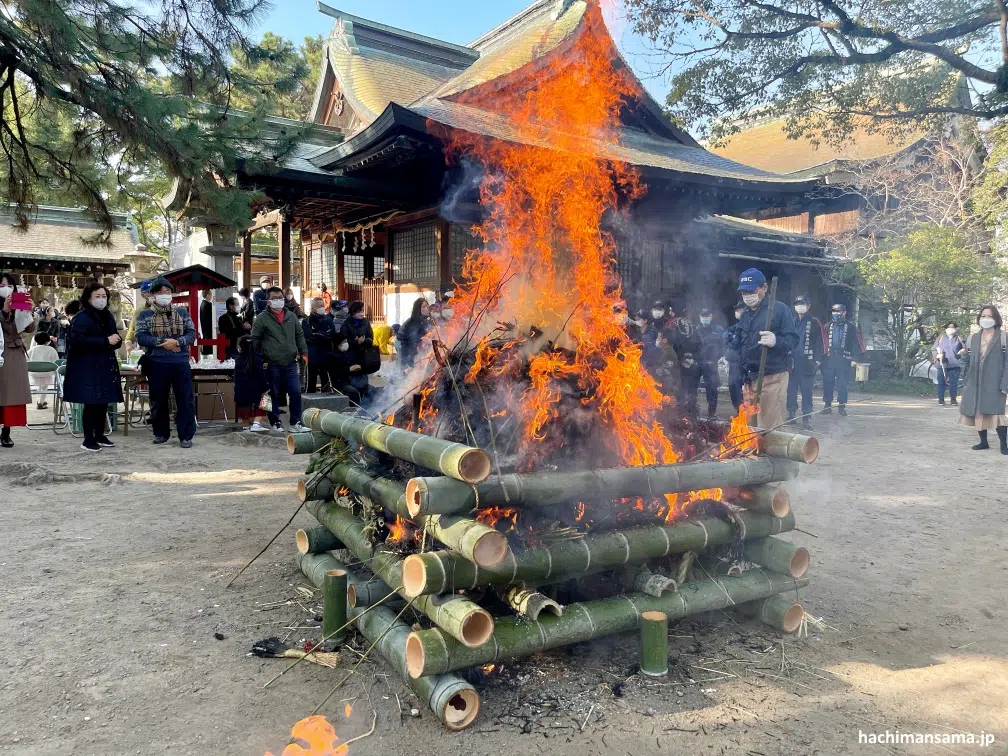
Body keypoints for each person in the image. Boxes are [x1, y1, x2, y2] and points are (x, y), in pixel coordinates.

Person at [727, 268, 798, 430]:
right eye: (744, 292)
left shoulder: (779, 310)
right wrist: (731, 355)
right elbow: (739, 342)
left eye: (751, 290)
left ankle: (771, 454)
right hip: (750, 377)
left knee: (769, 422)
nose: (747, 296)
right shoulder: (745, 314)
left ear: (764, 288)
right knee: (750, 423)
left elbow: (793, 340)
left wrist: (776, 341)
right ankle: (754, 452)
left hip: (773, 375)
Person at [135, 275, 198, 447]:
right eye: (160, 291)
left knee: (184, 399)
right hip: (156, 363)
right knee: (158, 399)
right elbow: (141, 337)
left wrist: (177, 342)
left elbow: (192, 334)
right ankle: (161, 433)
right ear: (153, 295)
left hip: (180, 362)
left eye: (167, 291)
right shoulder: (144, 315)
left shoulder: (182, 312)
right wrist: (164, 343)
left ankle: (186, 436)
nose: (164, 294)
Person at [63, 282, 124, 452]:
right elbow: (77, 341)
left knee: (103, 400)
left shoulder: (108, 316)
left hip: (105, 362)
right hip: (86, 365)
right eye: (97, 296)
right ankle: (88, 439)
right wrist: (105, 341)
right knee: (91, 401)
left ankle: (100, 435)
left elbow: (115, 336)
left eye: (104, 296)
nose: (101, 299)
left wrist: (116, 341)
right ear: (88, 299)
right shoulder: (81, 318)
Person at [252, 286, 308, 431]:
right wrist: (260, 358)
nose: (278, 301)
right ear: (268, 301)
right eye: (274, 298)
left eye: (280, 298)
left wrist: (304, 352)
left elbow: (299, 335)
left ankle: (296, 422)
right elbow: (255, 339)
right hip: (270, 363)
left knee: (295, 392)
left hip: (290, 362)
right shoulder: (262, 319)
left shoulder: (291, 316)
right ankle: (274, 421)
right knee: (272, 393)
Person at [958, 305, 1008, 453]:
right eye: (983, 316)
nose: (986, 319)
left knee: (997, 413)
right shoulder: (973, 337)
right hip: (974, 381)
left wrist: (1005, 383)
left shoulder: (1004, 337)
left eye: (990, 316)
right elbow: (966, 359)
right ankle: (983, 442)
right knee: (977, 412)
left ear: (996, 318)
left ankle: (1004, 444)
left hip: (995, 382)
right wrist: (964, 378)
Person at [0, 272, 36, 448]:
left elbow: (29, 329)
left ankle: (6, 432)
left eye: (9, 286)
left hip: (15, 351)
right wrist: (5, 311)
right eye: (1, 286)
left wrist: (30, 312)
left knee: (11, 394)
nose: (5, 289)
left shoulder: (18, 302)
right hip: (1, 349)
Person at [787, 295, 825, 429]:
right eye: (797, 304)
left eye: (802, 304)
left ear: (809, 306)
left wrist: (817, 360)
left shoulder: (814, 322)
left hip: (808, 363)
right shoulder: (791, 321)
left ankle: (806, 417)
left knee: (806, 390)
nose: (800, 306)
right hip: (792, 362)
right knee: (791, 389)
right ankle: (791, 414)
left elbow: (821, 342)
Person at [822, 303, 864, 417]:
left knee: (842, 384)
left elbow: (858, 343)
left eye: (838, 311)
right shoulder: (826, 326)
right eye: (834, 311)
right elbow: (821, 343)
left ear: (844, 313)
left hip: (844, 359)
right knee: (827, 382)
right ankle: (827, 405)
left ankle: (841, 406)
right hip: (829, 359)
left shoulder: (851, 327)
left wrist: (854, 358)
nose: (836, 314)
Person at [339, 301, 376, 407]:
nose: (362, 313)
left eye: (363, 311)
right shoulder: (346, 324)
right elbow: (343, 340)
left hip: (363, 355)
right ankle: (354, 405)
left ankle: (366, 406)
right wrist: (355, 341)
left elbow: (370, 337)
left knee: (364, 380)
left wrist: (364, 341)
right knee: (352, 379)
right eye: (360, 311)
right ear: (353, 312)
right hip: (350, 356)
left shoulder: (366, 322)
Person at [233, 335, 269, 432]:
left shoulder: (238, 359)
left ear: (240, 346)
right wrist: (266, 387)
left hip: (240, 392)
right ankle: (256, 424)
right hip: (254, 391)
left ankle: (245, 426)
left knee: (243, 405)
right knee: (267, 398)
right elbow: (261, 376)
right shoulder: (257, 358)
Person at [695, 307, 725, 418]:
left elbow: (723, 346)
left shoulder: (718, 330)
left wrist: (719, 358)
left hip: (711, 363)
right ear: (699, 317)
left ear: (711, 317)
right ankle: (692, 410)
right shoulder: (695, 330)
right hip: (697, 363)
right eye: (703, 316)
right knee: (692, 387)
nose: (705, 318)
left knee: (712, 388)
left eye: (707, 316)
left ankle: (712, 413)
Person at [303, 296, 336, 393]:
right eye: (320, 306)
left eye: (323, 305)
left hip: (326, 356)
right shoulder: (307, 321)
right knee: (310, 385)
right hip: (312, 357)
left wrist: (317, 333)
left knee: (327, 384)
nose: (322, 307)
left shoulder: (328, 320)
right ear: (313, 308)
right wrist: (323, 334)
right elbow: (309, 337)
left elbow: (331, 335)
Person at [933, 322, 965, 406]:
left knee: (953, 383)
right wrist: (937, 355)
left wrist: (962, 351)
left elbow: (965, 348)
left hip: (955, 364)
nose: (951, 329)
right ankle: (941, 399)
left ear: (955, 328)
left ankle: (953, 399)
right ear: (945, 329)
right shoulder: (941, 338)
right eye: (949, 327)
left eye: (953, 327)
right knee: (941, 382)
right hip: (942, 364)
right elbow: (934, 348)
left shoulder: (959, 338)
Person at [723, 301, 745, 413]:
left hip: (746, 363)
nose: (737, 312)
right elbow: (726, 338)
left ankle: (747, 413)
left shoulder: (750, 327)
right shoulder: (734, 327)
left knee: (746, 390)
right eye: (736, 310)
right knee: (733, 387)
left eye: (740, 309)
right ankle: (738, 411)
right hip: (734, 364)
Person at [397, 298, 432, 368]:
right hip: (405, 346)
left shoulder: (425, 320)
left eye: (427, 306)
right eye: (424, 306)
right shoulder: (414, 322)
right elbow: (413, 341)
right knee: (406, 369)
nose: (427, 308)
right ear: (418, 309)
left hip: (414, 347)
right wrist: (412, 361)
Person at [28, 332, 59, 409]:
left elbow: (26, 360)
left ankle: (39, 400)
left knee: (40, 385)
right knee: (44, 387)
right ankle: (40, 403)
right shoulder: (52, 350)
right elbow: (56, 362)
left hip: (34, 372)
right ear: (48, 340)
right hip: (47, 372)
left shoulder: (32, 350)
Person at [199, 289, 215, 356]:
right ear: (208, 295)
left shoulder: (203, 304)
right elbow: (209, 319)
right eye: (211, 294)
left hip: (205, 329)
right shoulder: (207, 305)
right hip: (209, 329)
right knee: (209, 348)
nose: (212, 296)